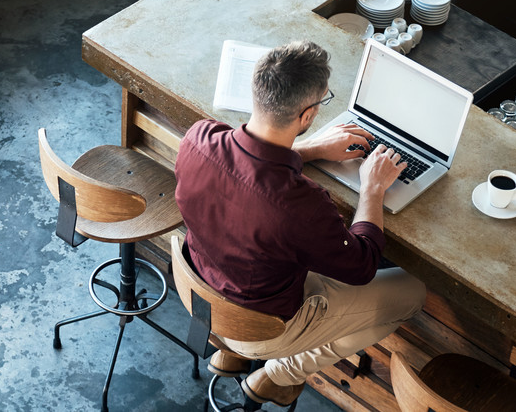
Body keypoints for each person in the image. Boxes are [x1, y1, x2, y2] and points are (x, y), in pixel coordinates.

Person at [174, 41, 426, 407]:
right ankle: (279, 373)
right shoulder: (301, 206)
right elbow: (362, 266)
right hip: (266, 324)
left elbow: (249, 173)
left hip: (203, 290)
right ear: (307, 116)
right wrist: (372, 188)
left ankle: (233, 346)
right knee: (412, 292)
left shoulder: (199, 138)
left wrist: (309, 150)